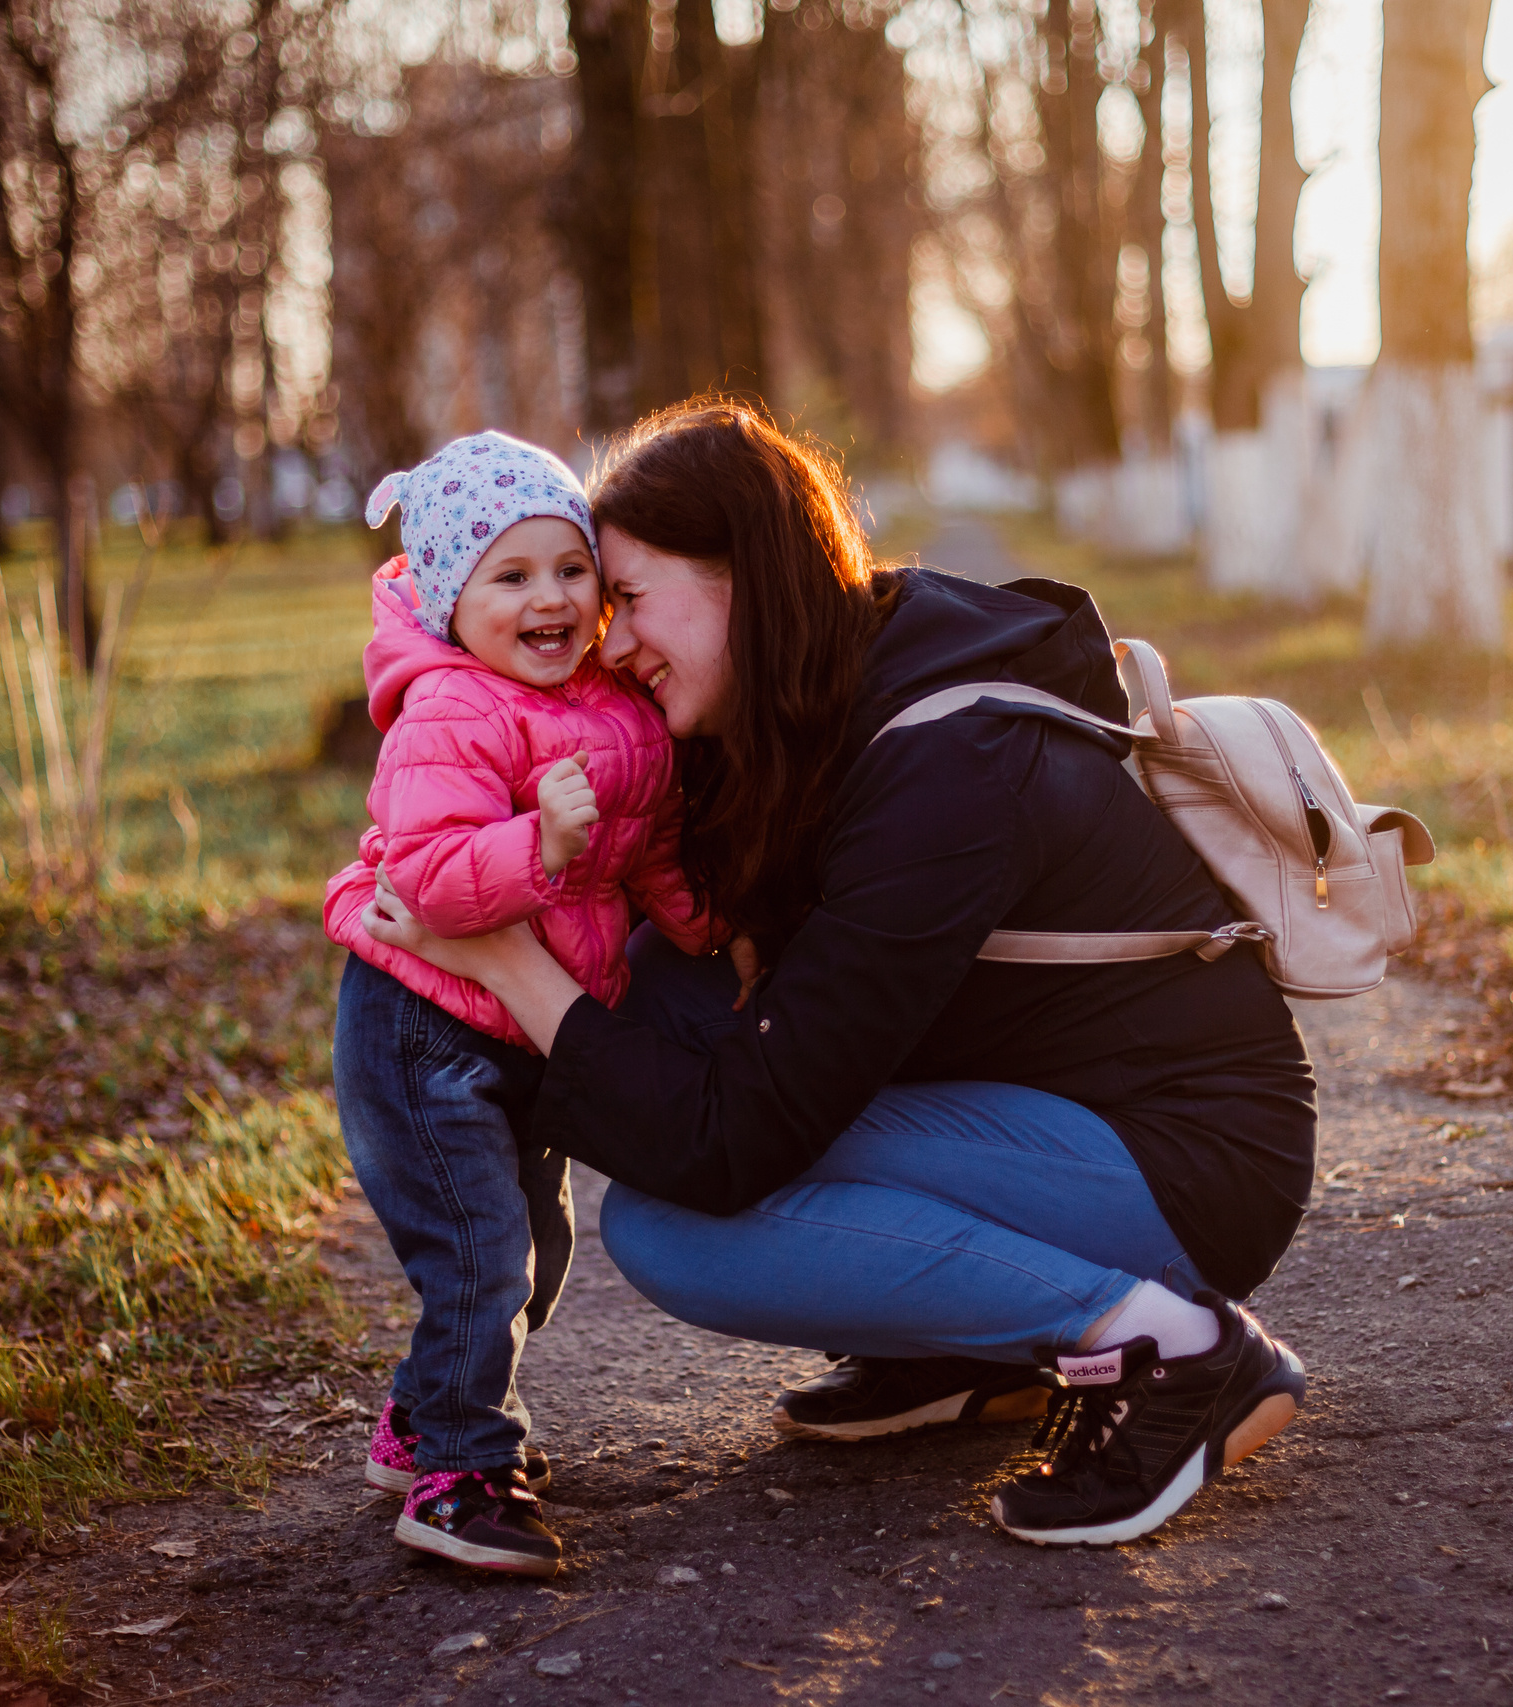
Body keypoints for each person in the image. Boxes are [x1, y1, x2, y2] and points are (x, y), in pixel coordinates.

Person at [357, 402, 1314, 1548]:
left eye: (629, 597)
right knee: (661, 995)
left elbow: (733, 1138)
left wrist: (509, 962)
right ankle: (966, 1348)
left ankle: (1172, 1349)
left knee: (673, 1230)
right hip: (1045, 1101)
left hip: (1184, 1161)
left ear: (744, 577)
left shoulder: (948, 769)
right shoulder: (829, 676)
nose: (610, 643)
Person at [324, 430, 727, 1578]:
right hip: (424, 1029)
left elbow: (648, 847)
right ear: (450, 600)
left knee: (537, 1259)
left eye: (569, 569)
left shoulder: (621, 708)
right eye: (509, 576)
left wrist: (702, 926)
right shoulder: (448, 711)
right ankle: (462, 1478)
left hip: (531, 1031)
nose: (548, 598)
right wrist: (536, 845)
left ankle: (419, 1420)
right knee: (481, 1254)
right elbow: (428, 878)